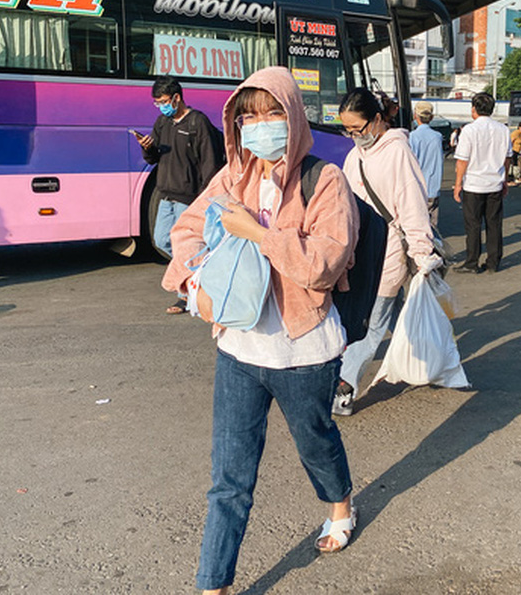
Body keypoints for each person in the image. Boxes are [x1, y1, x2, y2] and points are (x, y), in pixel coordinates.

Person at [161, 67, 361, 594]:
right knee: (229, 480)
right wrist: (195, 279)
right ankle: (214, 584)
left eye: (273, 114)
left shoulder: (326, 180)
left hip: (304, 350)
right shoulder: (232, 176)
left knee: (315, 443)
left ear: (293, 118)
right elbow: (185, 229)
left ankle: (339, 505)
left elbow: (323, 262)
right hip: (238, 348)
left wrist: (257, 233)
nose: (260, 127)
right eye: (248, 117)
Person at [335, 88, 436, 415]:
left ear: (377, 119)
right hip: (357, 253)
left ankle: (343, 388)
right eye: (347, 130)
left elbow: (412, 205)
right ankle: (430, 357)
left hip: (388, 252)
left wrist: (422, 254)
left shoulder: (397, 153)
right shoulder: (354, 156)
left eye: (358, 129)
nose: (354, 137)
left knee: (371, 323)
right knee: (403, 315)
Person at [138, 76, 221, 313]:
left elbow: (209, 162)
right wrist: (147, 149)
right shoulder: (162, 123)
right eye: (157, 103)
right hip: (165, 193)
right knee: (161, 239)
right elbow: (154, 158)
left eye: (164, 101)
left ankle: (184, 295)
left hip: (189, 196)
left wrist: (206, 198)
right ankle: (203, 270)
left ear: (177, 98)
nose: (161, 107)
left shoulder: (198, 122)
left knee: (184, 245)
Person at [453, 92, 510, 273]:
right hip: (495, 182)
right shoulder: (503, 129)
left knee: (473, 224)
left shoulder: (469, 130)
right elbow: (507, 158)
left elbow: (462, 160)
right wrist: (505, 179)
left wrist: (457, 184)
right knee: (494, 224)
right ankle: (493, 262)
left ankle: (472, 262)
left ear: (474, 109)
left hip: (474, 184)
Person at [408, 100, 444, 228]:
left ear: (415, 116)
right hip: (434, 187)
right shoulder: (438, 136)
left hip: (418, 187)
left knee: (418, 225)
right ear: (432, 117)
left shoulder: (412, 137)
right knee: (432, 225)